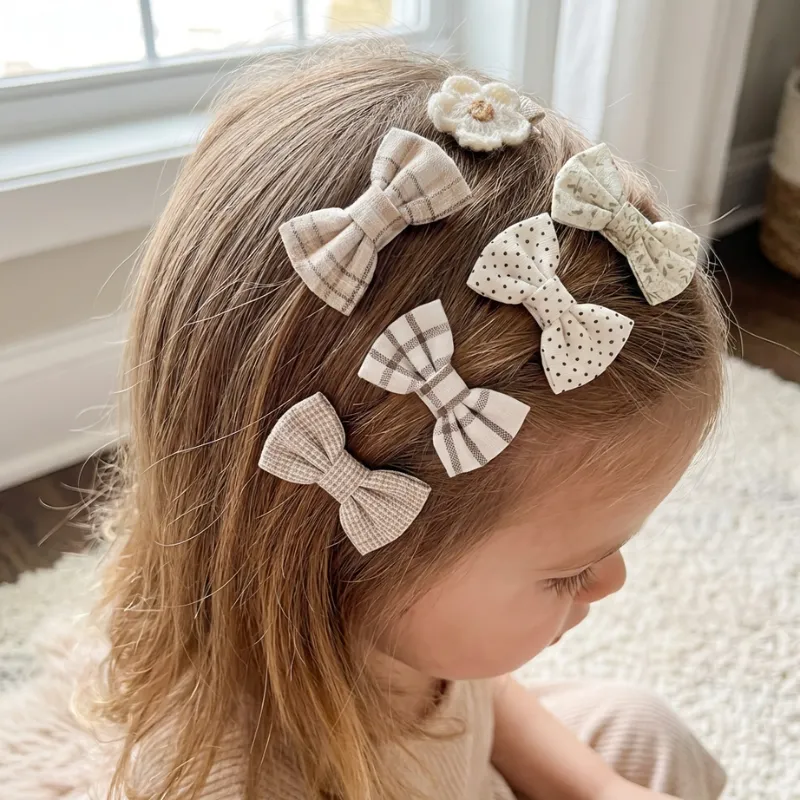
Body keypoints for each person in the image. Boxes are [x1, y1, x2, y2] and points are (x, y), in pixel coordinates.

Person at [91, 42, 728, 800]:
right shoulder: (235, 780)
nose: (613, 581)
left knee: (643, 729)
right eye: (568, 573)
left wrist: (595, 787)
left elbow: (477, 688)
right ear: (341, 555)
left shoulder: (397, 624)